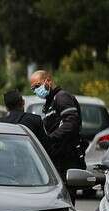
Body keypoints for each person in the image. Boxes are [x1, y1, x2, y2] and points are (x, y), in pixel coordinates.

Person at [29, 70, 86, 202]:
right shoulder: (49, 102)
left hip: (67, 158)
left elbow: (71, 124)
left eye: (38, 86)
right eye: (33, 89)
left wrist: (49, 139)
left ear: (48, 80)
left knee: (65, 200)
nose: (36, 91)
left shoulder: (62, 97)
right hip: (57, 158)